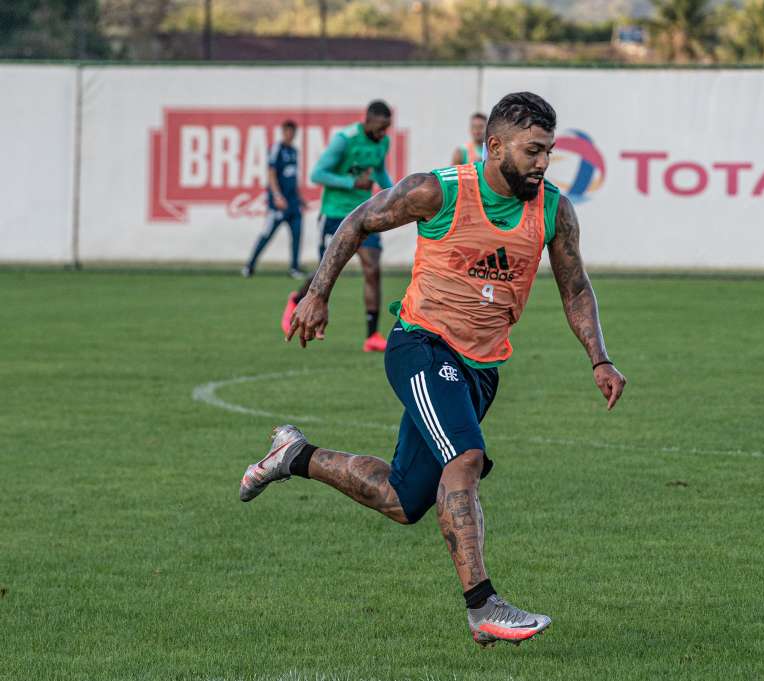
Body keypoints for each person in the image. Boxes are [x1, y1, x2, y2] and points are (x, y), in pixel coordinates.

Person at [240, 92, 627, 647]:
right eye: (533, 150)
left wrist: (600, 357)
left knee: (402, 499)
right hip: (421, 345)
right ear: (495, 147)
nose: (543, 163)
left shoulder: (553, 210)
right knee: (465, 458)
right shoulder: (438, 190)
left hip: (482, 368)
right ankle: (483, 607)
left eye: (549, 152)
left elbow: (575, 287)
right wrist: (317, 293)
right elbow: (356, 221)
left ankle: (293, 456)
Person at [281, 101, 394, 351]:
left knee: (372, 269)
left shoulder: (382, 142)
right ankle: (297, 299)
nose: (383, 133)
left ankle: (372, 335)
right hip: (335, 214)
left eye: (387, 128)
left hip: (366, 215)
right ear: (368, 120)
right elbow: (318, 174)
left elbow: (380, 172)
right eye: (380, 128)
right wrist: (352, 182)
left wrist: (398, 194)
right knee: (326, 269)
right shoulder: (345, 139)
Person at [242, 120, 305, 278]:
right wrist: (277, 196)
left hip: (293, 202)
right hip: (278, 204)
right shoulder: (277, 149)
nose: (290, 135)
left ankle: (294, 268)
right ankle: (249, 266)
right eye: (287, 131)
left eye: (292, 132)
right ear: (283, 132)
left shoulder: (294, 151)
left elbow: (292, 177)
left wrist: (299, 197)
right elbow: (271, 174)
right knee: (267, 234)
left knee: (297, 234)